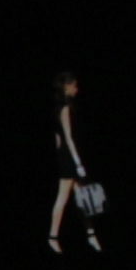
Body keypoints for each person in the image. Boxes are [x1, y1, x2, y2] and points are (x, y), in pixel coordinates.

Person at [46, 72, 102, 254]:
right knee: (63, 198)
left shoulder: (58, 107)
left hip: (65, 155)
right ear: (66, 86)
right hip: (69, 158)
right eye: (74, 86)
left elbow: (57, 137)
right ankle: (53, 237)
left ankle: (91, 234)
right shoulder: (64, 108)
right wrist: (77, 163)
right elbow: (68, 137)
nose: (76, 89)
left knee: (83, 197)